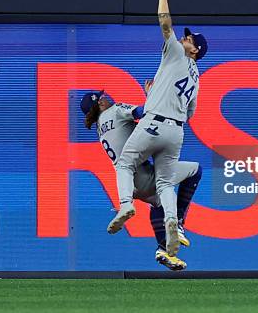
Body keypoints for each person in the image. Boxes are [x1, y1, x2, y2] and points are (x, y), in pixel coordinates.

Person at [107, 0, 208, 256]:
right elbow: (190, 113)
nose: (184, 38)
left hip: (153, 123)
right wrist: (154, 96)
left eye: (189, 39)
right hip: (176, 132)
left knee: (125, 163)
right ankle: (172, 220)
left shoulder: (177, 51)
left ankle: (126, 204)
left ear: (195, 50)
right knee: (164, 183)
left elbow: (165, 23)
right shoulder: (197, 78)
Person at [80, 90, 202, 270]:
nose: (107, 98)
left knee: (158, 203)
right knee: (195, 170)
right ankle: (180, 223)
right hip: (143, 175)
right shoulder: (115, 110)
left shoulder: (100, 126)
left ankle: (163, 250)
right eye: (102, 98)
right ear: (100, 104)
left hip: (130, 183)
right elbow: (143, 112)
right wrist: (152, 94)